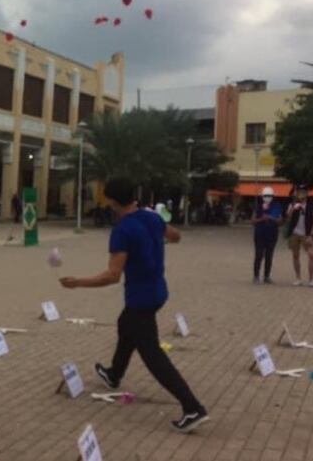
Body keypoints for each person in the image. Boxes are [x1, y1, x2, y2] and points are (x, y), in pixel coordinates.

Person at [60, 176, 209, 433]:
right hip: (158, 291)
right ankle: (114, 374)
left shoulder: (123, 230)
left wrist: (77, 283)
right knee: (125, 324)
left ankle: (192, 407)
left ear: (114, 201)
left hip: (141, 298)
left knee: (152, 354)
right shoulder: (151, 217)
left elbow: (112, 276)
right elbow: (176, 236)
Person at [285, 185, 313, 288]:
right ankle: (298, 278)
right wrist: (293, 208)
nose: (301, 193)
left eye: (304, 191)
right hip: (295, 234)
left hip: (306, 234)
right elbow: (288, 220)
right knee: (295, 255)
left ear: (307, 192)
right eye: (300, 191)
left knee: (312, 255)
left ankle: (311, 280)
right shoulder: (292, 204)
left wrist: (311, 235)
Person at [251, 186, 283, 284]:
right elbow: (252, 221)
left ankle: (266, 276)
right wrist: (261, 219)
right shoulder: (258, 206)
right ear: (262, 196)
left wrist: (270, 217)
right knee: (259, 255)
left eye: (269, 195)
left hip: (272, 234)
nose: (267, 197)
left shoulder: (277, 206)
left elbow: (280, 221)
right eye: (266, 195)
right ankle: (256, 276)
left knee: (269, 255)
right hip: (260, 234)